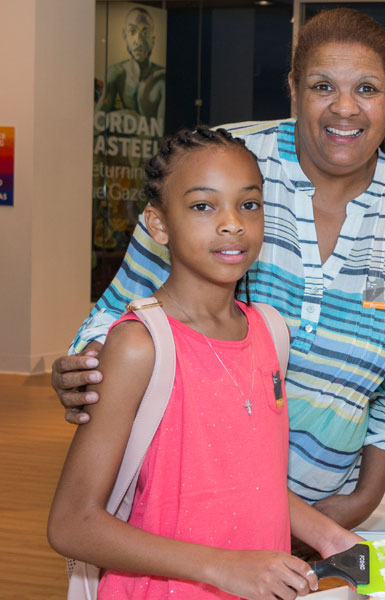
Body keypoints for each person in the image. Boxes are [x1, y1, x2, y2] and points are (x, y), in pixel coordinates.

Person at [53, 8, 385, 530]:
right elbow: (119, 311)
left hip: (319, 512)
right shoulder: (222, 169)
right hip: (175, 507)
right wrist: (88, 370)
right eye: (321, 86)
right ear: (293, 88)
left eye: (366, 88)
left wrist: (361, 500)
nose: (344, 108)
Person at [48, 128, 361, 599]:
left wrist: (329, 536)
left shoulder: (271, 332)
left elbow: (254, 486)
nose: (232, 223)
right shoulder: (139, 346)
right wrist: (222, 568)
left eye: (249, 204)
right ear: (158, 225)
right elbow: (72, 525)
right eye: (203, 206)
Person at [98, 6, 165, 120]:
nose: (138, 41)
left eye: (146, 33)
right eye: (133, 31)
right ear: (125, 36)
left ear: (153, 40)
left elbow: (161, 133)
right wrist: (121, 117)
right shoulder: (116, 74)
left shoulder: (161, 79)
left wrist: (134, 121)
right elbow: (97, 122)